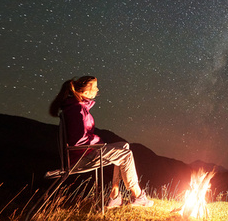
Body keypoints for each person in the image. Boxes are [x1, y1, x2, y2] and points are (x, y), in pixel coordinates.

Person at [49, 75, 153, 209]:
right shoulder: (77, 110)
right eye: (95, 87)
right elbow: (79, 141)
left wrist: (97, 141)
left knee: (124, 146)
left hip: (83, 152)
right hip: (81, 156)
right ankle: (138, 196)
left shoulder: (77, 107)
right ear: (85, 93)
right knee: (126, 155)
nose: (98, 90)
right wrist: (98, 141)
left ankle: (114, 196)